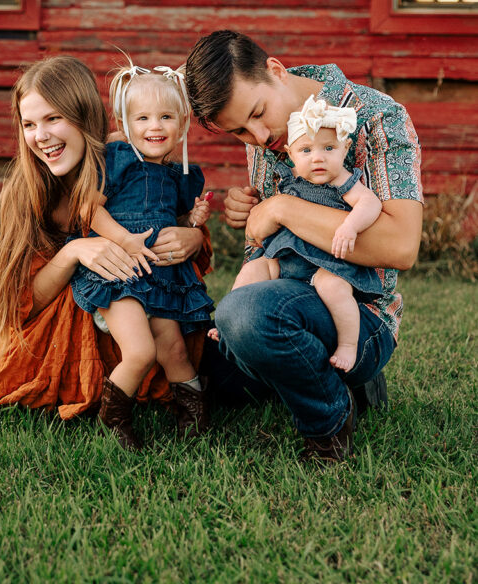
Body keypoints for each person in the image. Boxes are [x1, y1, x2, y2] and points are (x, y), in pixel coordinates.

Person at [0, 56, 211, 434]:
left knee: (191, 354)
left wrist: (193, 235)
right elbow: (18, 303)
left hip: (150, 297)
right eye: (29, 124)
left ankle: (186, 404)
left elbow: (166, 218)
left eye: (53, 119)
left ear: (83, 117)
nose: (41, 136)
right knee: (140, 346)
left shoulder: (134, 162)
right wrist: (74, 251)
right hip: (73, 328)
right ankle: (115, 410)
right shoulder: (30, 191)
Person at [185, 30, 423, 462]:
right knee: (190, 343)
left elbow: (402, 246)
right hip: (287, 290)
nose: (258, 136)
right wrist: (254, 222)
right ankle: (314, 372)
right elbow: (268, 246)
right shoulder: (267, 138)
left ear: (275, 70)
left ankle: (329, 419)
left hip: (357, 312)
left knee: (244, 315)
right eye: (239, 131)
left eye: (258, 114)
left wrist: (282, 208)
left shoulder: (377, 115)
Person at [69, 60, 215, 448]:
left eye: (166, 117)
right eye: (144, 118)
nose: (155, 126)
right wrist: (125, 240)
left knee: (175, 350)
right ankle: (113, 417)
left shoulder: (180, 174)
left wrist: (192, 221)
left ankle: (193, 416)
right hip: (118, 272)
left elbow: (175, 218)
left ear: (182, 124)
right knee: (141, 350)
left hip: (162, 277)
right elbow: (89, 209)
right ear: (126, 123)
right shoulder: (118, 159)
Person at [209, 94, 384, 374]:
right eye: (306, 151)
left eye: (329, 148)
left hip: (326, 264)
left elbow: (370, 203)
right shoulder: (289, 178)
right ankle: (225, 322)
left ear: (345, 148)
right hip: (286, 259)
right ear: (290, 154)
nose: (318, 158)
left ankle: (349, 345)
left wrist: (351, 225)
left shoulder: (342, 181)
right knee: (254, 269)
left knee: (334, 288)